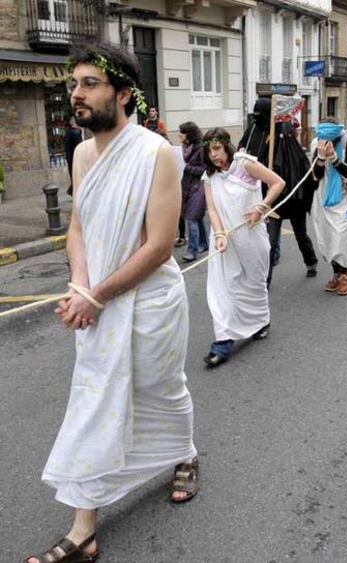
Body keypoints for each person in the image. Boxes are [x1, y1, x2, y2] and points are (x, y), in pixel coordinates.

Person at [24, 43, 199, 563]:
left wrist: (95, 295)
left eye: (89, 84)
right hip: (98, 301)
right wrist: (82, 288)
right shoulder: (80, 153)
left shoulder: (155, 154)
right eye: (73, 84)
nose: (75, 94)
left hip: (149, 303)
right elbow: (78, 228)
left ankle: (186, 454)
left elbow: (159, 245)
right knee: (95, 400)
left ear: (123, 94)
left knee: (161, 391)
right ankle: (83, 530)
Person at [202, 128, 285, 367]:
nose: (214, 156)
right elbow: (212, 209)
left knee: (254, 283)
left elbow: (277, 183)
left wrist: (261, 206)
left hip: (251, 237)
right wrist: (218, 233)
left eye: (216, 149)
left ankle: (260, 321)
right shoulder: (209, 177)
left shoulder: (244, 163)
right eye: (209, 151)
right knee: (223, 289)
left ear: (226, 145)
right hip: (223, 240)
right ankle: (223, 342)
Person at [238, 98, 318, 287]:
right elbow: (244, 152)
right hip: (268, 196)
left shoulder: (284, 130)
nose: (258, 118)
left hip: (291, 194)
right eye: (255, 114)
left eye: (261, 114)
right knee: (270, 240)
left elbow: (294, 161)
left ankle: (311, 261)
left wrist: (273, 163)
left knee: (300, 233)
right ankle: (266, 278)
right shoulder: (254, 129)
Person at [311, 118, 347, 295]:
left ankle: (345, 274)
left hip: (343, 195)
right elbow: (315, 175)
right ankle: (336, 273)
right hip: (323, 196)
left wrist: (334, 158)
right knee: (327, 238)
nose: (326, 138)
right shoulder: (317, 141)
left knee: (341, 237)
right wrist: (321, 158)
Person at [178, 121, 208, 262]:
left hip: (199, 188)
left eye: (181, 132)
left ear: (189, 135)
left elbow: (205, 169)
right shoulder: (185, 148)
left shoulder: (201, 149)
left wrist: (187, 168)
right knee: (197, 217)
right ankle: (204, 243)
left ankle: (192, 251)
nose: (179, 135)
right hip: (188, 186)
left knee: (191, 218)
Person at [64, 116, 82, 196]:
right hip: (75, 158)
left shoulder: (67, 132)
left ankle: (71, 191)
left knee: (73, 176)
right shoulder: (76, 132)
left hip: (69, 158)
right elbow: (79, 146)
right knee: (77, 176)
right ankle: (72, 192)